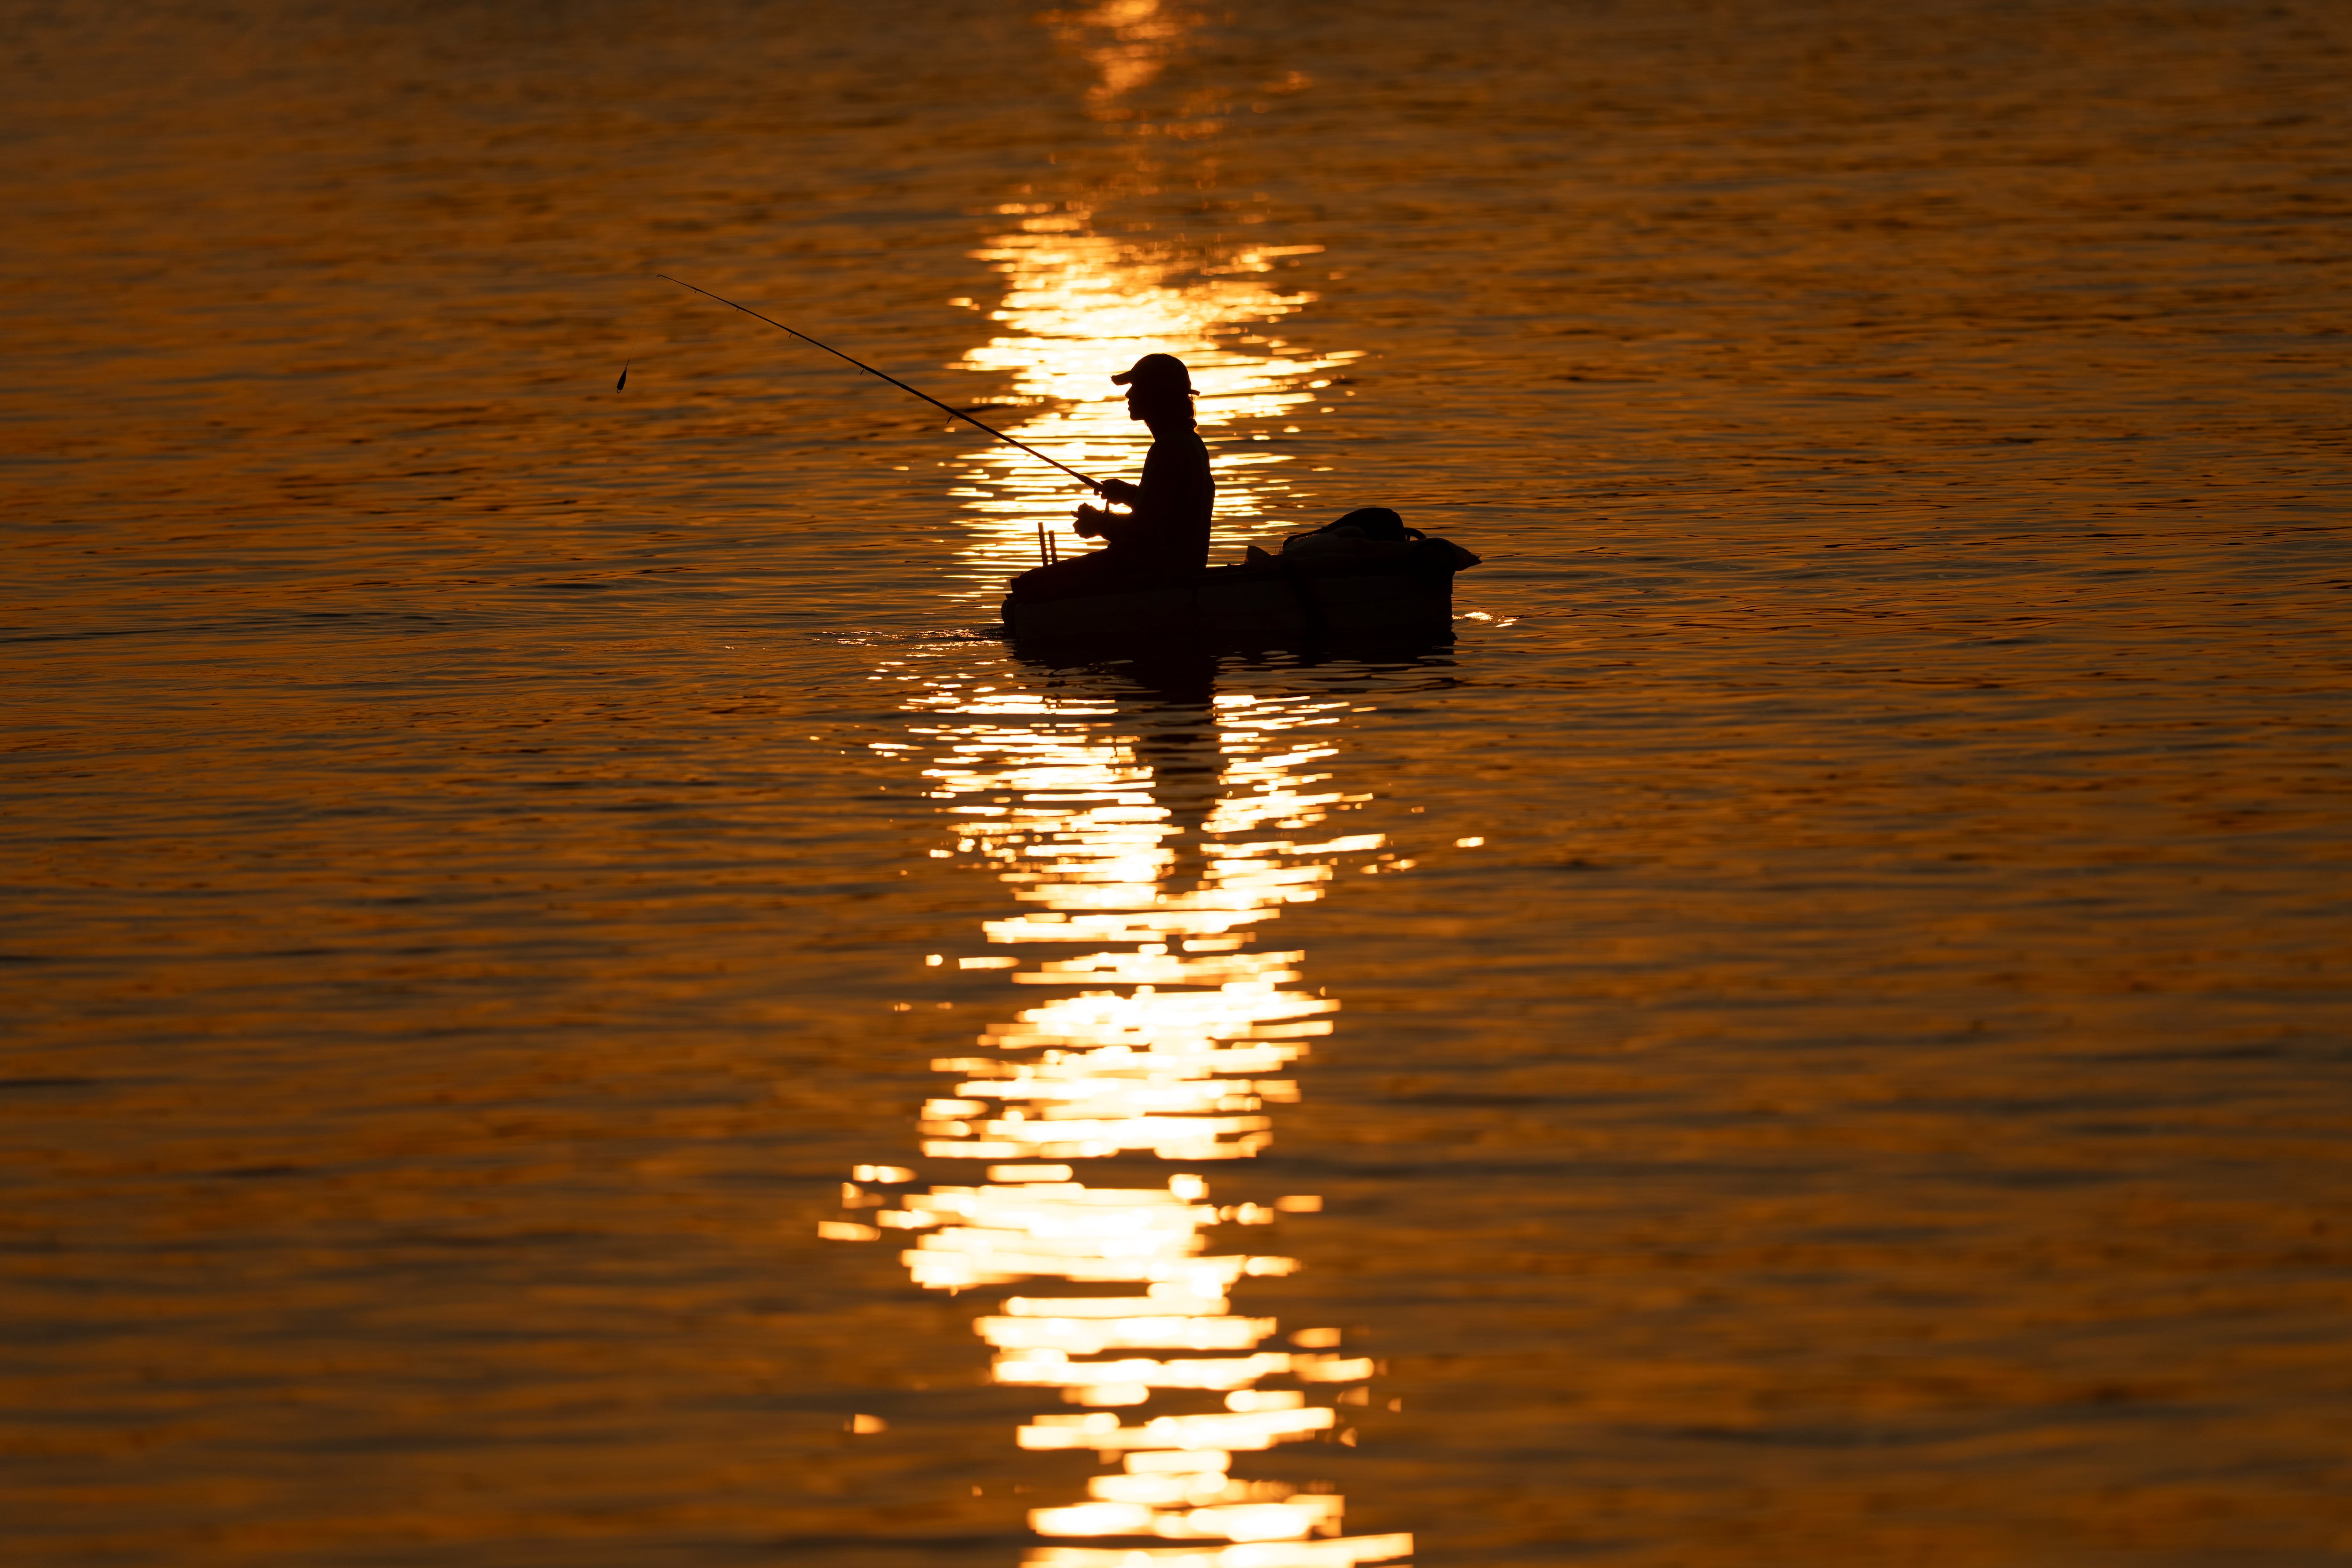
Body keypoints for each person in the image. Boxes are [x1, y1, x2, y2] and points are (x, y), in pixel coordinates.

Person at [1005, 353, 1215, 605]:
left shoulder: (1168, 449)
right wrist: (1129, 495)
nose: (1129, 395)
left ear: (1157, 394)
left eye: (1137, 387)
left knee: (1029, 586)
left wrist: (1099, 524)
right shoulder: (1189, 443)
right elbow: (1169, 512)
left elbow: (1147, 534)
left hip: (1157, 571)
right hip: (1180, 565)